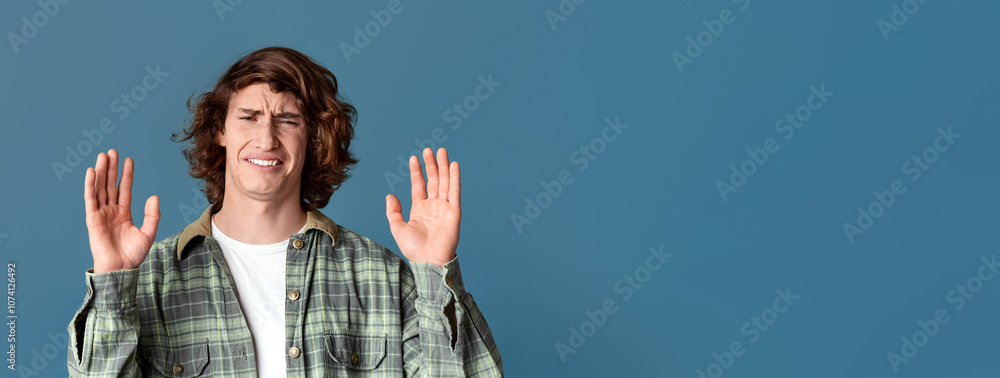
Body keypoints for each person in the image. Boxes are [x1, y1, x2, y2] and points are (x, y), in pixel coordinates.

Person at [66, 46, 503, 377]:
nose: (266, 139)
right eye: (249, 117)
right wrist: (112, 282)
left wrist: (434, 273)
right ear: (219, 130)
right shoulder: (149, 280)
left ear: (312, 137)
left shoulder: (385, 278)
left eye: (288, 120)